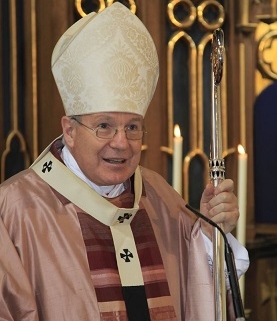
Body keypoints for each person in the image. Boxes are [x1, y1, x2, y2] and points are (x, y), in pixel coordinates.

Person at [0, 2, 249, 321]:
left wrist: (213, 231)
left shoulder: (157, 192)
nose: (121, 143)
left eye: (132, 127)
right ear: (70, 130)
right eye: (104, 126)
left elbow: (200, 288)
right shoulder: (15, 208)